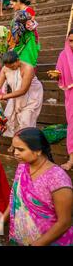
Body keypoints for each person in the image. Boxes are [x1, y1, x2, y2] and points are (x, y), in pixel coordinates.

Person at [0, 128, 73, 246]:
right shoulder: (22, 167)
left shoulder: (58, 178)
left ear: (38, 151)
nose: (15, 153)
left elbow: (64, 222)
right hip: (20, 236)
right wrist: (2, 221)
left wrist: (36, 244)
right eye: (14, 148)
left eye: (20, 149)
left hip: (49, 240)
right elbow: (15, 198)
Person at [0, 50, 43, 143]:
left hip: (32, 96)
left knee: (26, 120)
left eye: (13, 66)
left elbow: (23, 90)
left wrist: (1, 97)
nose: (12, 69)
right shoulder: (5, 68)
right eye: (9, 67)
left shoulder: (28, 68)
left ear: (18, 60)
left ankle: (26, 144)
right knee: (11, 119)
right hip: (15, 95)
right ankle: (15, 142)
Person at [48, 30, 73, 170]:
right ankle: (71, 160)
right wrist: (56, 76)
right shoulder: (63, 55)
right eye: (70, 40)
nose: (72, 44)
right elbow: (59, 72)